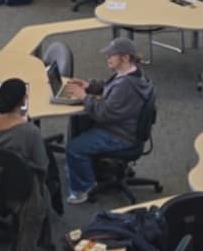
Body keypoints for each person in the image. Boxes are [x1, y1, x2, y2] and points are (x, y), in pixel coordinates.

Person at [61, 37, 155, 204]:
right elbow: (108, 86)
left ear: (125, 57)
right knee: (78, 121)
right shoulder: (132, 73)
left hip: (120, 135)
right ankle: (88, 168)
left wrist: (84, 97)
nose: (107, 58)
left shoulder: (126, 85)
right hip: (126, 126)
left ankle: (84, 189)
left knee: (75, 147)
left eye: (111, 55)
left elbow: (103, 114)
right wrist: (89, 86)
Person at [0, 77, 52, 248]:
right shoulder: (30, 131)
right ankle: (42, 238)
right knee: (49, 183)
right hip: (21, 189)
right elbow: (42, 165)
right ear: (23, 101)